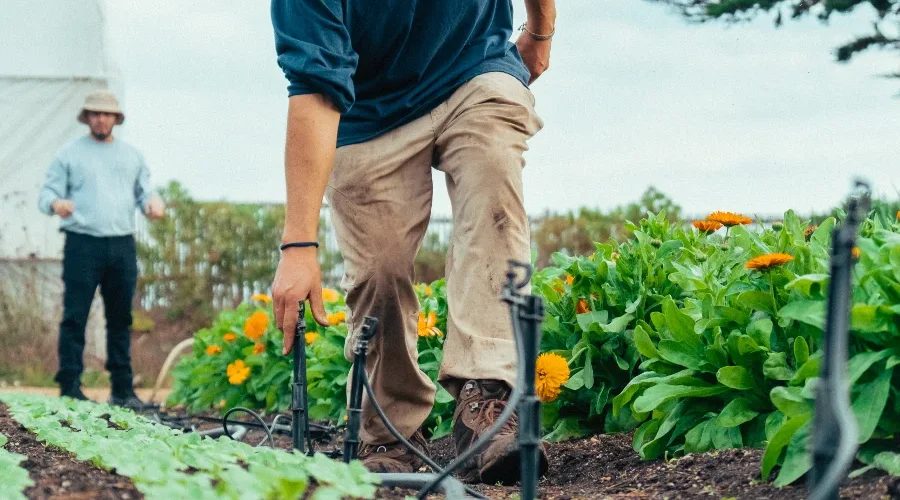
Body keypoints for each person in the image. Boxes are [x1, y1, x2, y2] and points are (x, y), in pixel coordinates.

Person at [270, 0, 555, 484]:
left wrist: (540, 33)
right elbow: (316, 88)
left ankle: (489, 400)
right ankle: (387, 429)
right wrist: (299, 245)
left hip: (474, 66)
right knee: (377, 270)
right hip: (368, 108)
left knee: (494, 199)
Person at [38, 90, 165, 409]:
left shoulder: (132, 156)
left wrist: (152, 202)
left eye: (106, 114)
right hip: (82, 243)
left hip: (121, 245)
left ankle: (122, 391)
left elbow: (144, 192)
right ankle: (70, 387)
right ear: (87, 118)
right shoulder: (69, 154)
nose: (101, 118)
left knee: (120, 318)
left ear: (116, 119)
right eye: (95, 113)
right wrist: (57, 203)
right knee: (75, 316)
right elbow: (47, 194)